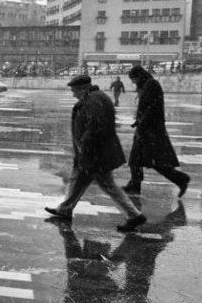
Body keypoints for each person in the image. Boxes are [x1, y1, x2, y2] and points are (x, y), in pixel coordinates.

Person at [44, 75, 146, 232]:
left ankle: (134, 215)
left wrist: (84, 145)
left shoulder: (94, 101)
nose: (73, 94)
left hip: (95, 153)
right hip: (90, 152)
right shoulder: (94, 98)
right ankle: (65, 209)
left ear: (82, 89)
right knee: (77, 179)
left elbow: (95, 127)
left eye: (74, 91)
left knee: (107, 185)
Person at [123, 66, 190, 196]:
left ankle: (181, 179)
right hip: (148, 127)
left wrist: (142, 122)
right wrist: (139, 121)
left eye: (134, 79)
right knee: (138, 159)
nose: (134, 82)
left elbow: (152, 107)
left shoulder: (151, 84)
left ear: (139, 76)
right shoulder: (148, 84)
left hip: (151, 129)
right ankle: (135, 184)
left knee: (154, 161)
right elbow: (147, 107)